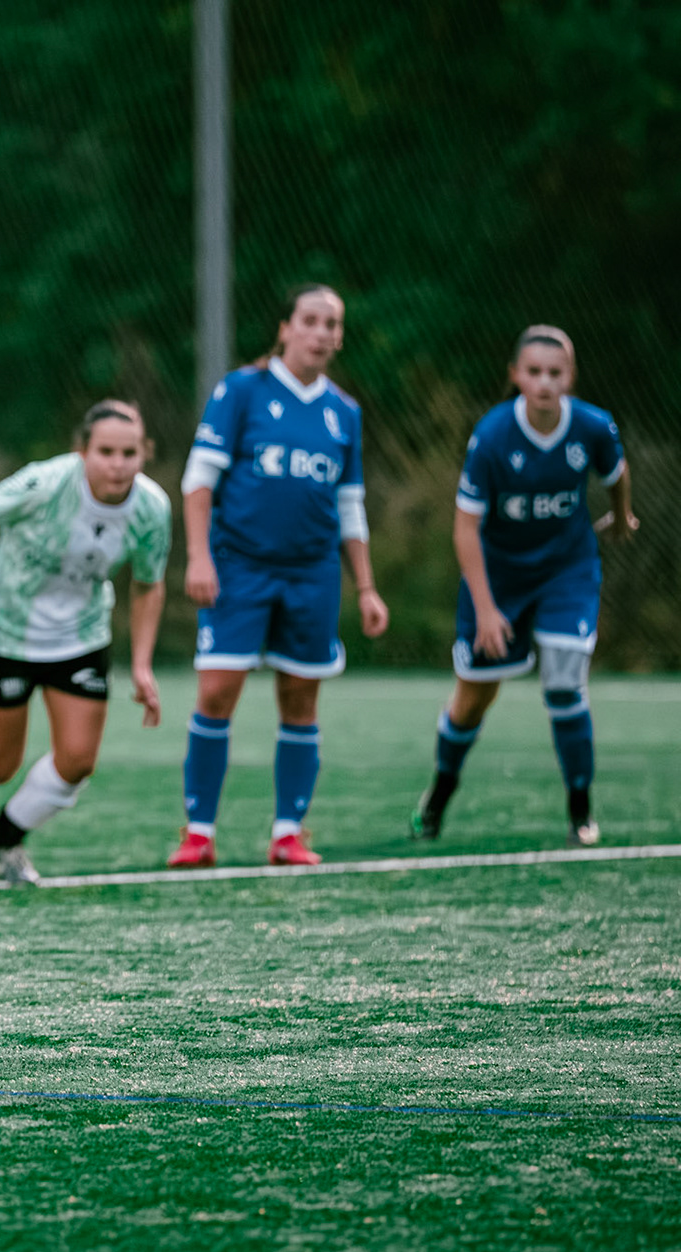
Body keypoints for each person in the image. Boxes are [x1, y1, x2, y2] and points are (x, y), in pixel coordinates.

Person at [0, 401, 171, 883]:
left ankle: (6, 840)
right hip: (6, 631)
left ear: (143, 454)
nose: (118, 463)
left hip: (80, 637)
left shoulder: (151, 508)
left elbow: (149, 584)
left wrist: (143, 666)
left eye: (129, 453)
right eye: (105, 451)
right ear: (82, 451)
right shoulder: (46, 483)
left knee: (78, 761)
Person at [170, 284, 391, 869]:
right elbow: (198, 482)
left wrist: (366, 587)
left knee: (301, 698)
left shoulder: (344, 412)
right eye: (311, 321)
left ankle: (288, 832)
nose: (322, 333)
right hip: (239, 569)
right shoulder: (242, 391)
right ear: (286, 328)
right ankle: (199, 833)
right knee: (217, 691)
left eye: (332, 324)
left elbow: (350, 507)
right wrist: (199, 556)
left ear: (339, 337)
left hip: (312, 575)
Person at [411, 325, 635, 846]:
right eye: (533, 372)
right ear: (515, 376)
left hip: (567, 571)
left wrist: (623, 516)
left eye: (555, 373)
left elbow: (617, 473)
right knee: (473, 699)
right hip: (499, 579)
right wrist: (487, 610)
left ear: (570, 378)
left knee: (563, 680)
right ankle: (438, 796)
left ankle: (580, 808)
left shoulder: (594, 427)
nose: (544, 383)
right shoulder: (491, 437)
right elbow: (465, 527)